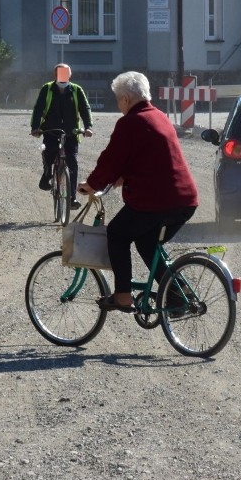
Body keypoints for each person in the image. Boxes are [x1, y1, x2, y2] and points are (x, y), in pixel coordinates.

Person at [77, 71, 198, 312]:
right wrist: (124, 177)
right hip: (185, 201)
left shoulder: (130, 122)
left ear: (125, 99)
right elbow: (150, 158)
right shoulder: (160, 117)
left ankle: (122, 296)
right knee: (145, 241)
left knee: (117, 234)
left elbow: (110, 160)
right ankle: (178, 293)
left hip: (157, 201)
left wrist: (91, 185)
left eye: (117, 99)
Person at [30, 63, 93, 209]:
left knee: (72, 162)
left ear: (70, 75)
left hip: (71, 132)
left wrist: (88, 127)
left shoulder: (76, 90)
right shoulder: (47, 89)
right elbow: (38, 108)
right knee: (49, 153)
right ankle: (46, 176)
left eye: (66, 73)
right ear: (55, 75)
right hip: (51, 131)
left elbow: (85, 109)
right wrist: (35, 127)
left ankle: (72, 198)